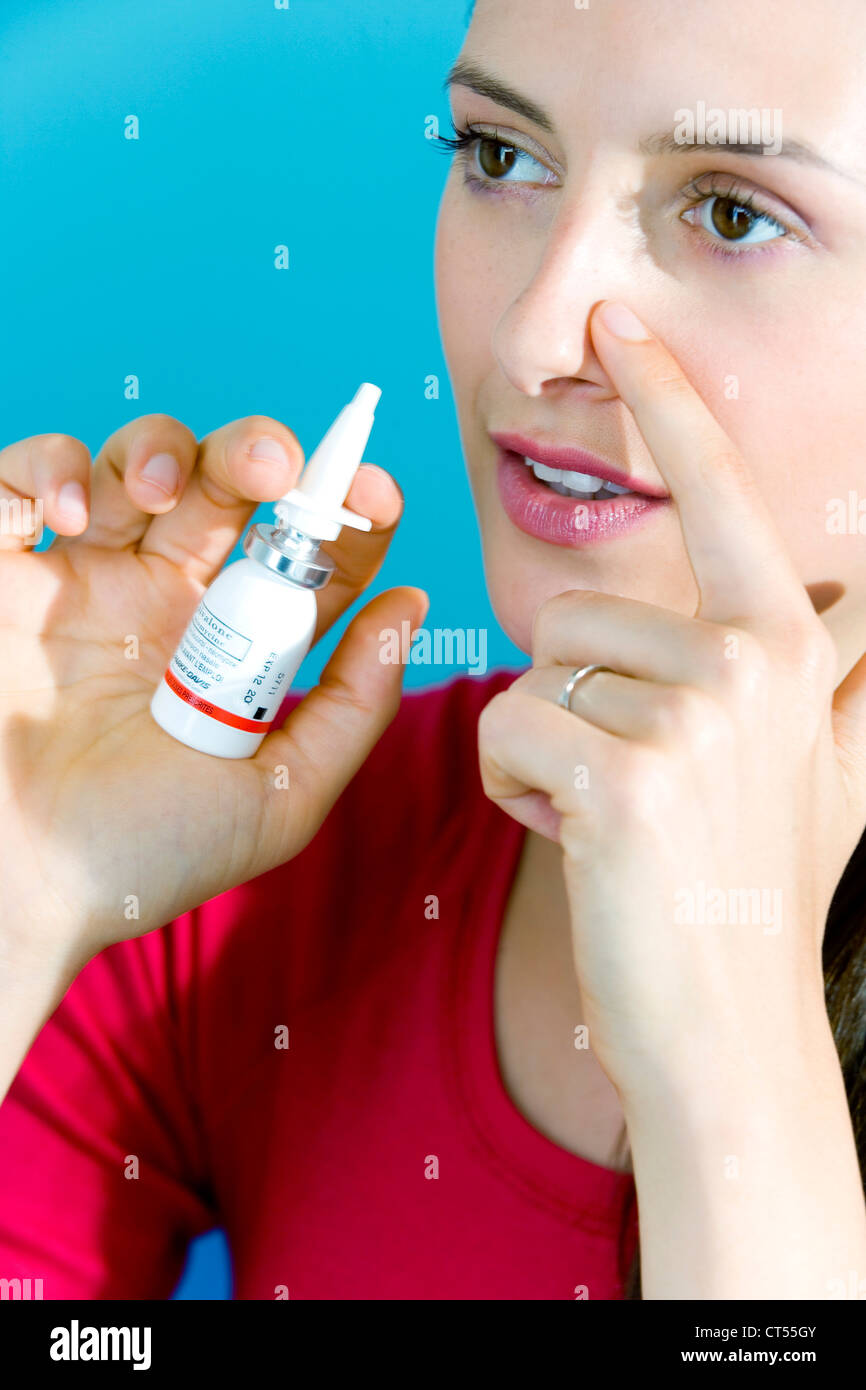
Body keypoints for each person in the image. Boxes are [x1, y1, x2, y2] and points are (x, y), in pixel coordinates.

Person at [1, 0, 866, 1300]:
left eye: (734, 212)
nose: (526, 338)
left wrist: (732, 1085)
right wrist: (28, 881)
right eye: (500, 156)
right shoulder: (279, 859)